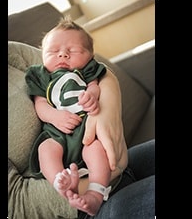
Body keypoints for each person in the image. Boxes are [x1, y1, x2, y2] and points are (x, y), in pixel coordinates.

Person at [25, 16, 127, 216]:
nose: (62, 54)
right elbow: (41, 104)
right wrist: (54, 116)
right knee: (45, 150)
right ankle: (60, 181)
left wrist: (92, 95)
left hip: (86, 130)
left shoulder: (87, 70)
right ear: (42, 55)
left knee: (96, 149)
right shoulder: (40, 75)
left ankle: (95, 194)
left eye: (73, 51)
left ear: (90, 55)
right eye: (53, 51)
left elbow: (95, 86)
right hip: (56, 132)